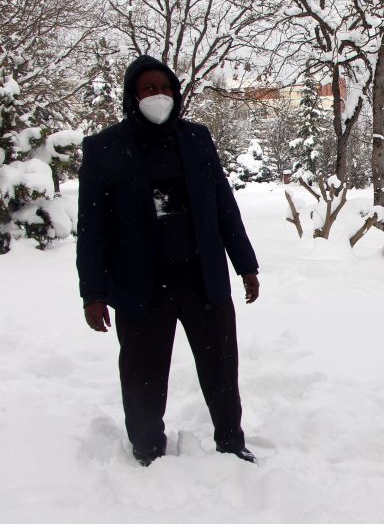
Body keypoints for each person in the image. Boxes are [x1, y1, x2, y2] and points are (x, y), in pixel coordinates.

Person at [77, 55, 261, 467]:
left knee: (221, 369)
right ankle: (146, 448)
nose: (158, 96)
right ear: (132, 95)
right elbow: (92, 230)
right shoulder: (105, 148)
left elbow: (223, 206)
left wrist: (245, 264)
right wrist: (93, 292)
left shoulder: (196, 139)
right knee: (143, 376)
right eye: (148, 89)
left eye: (165, 88)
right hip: (141, 285)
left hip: (201, 278)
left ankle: (231, 442)